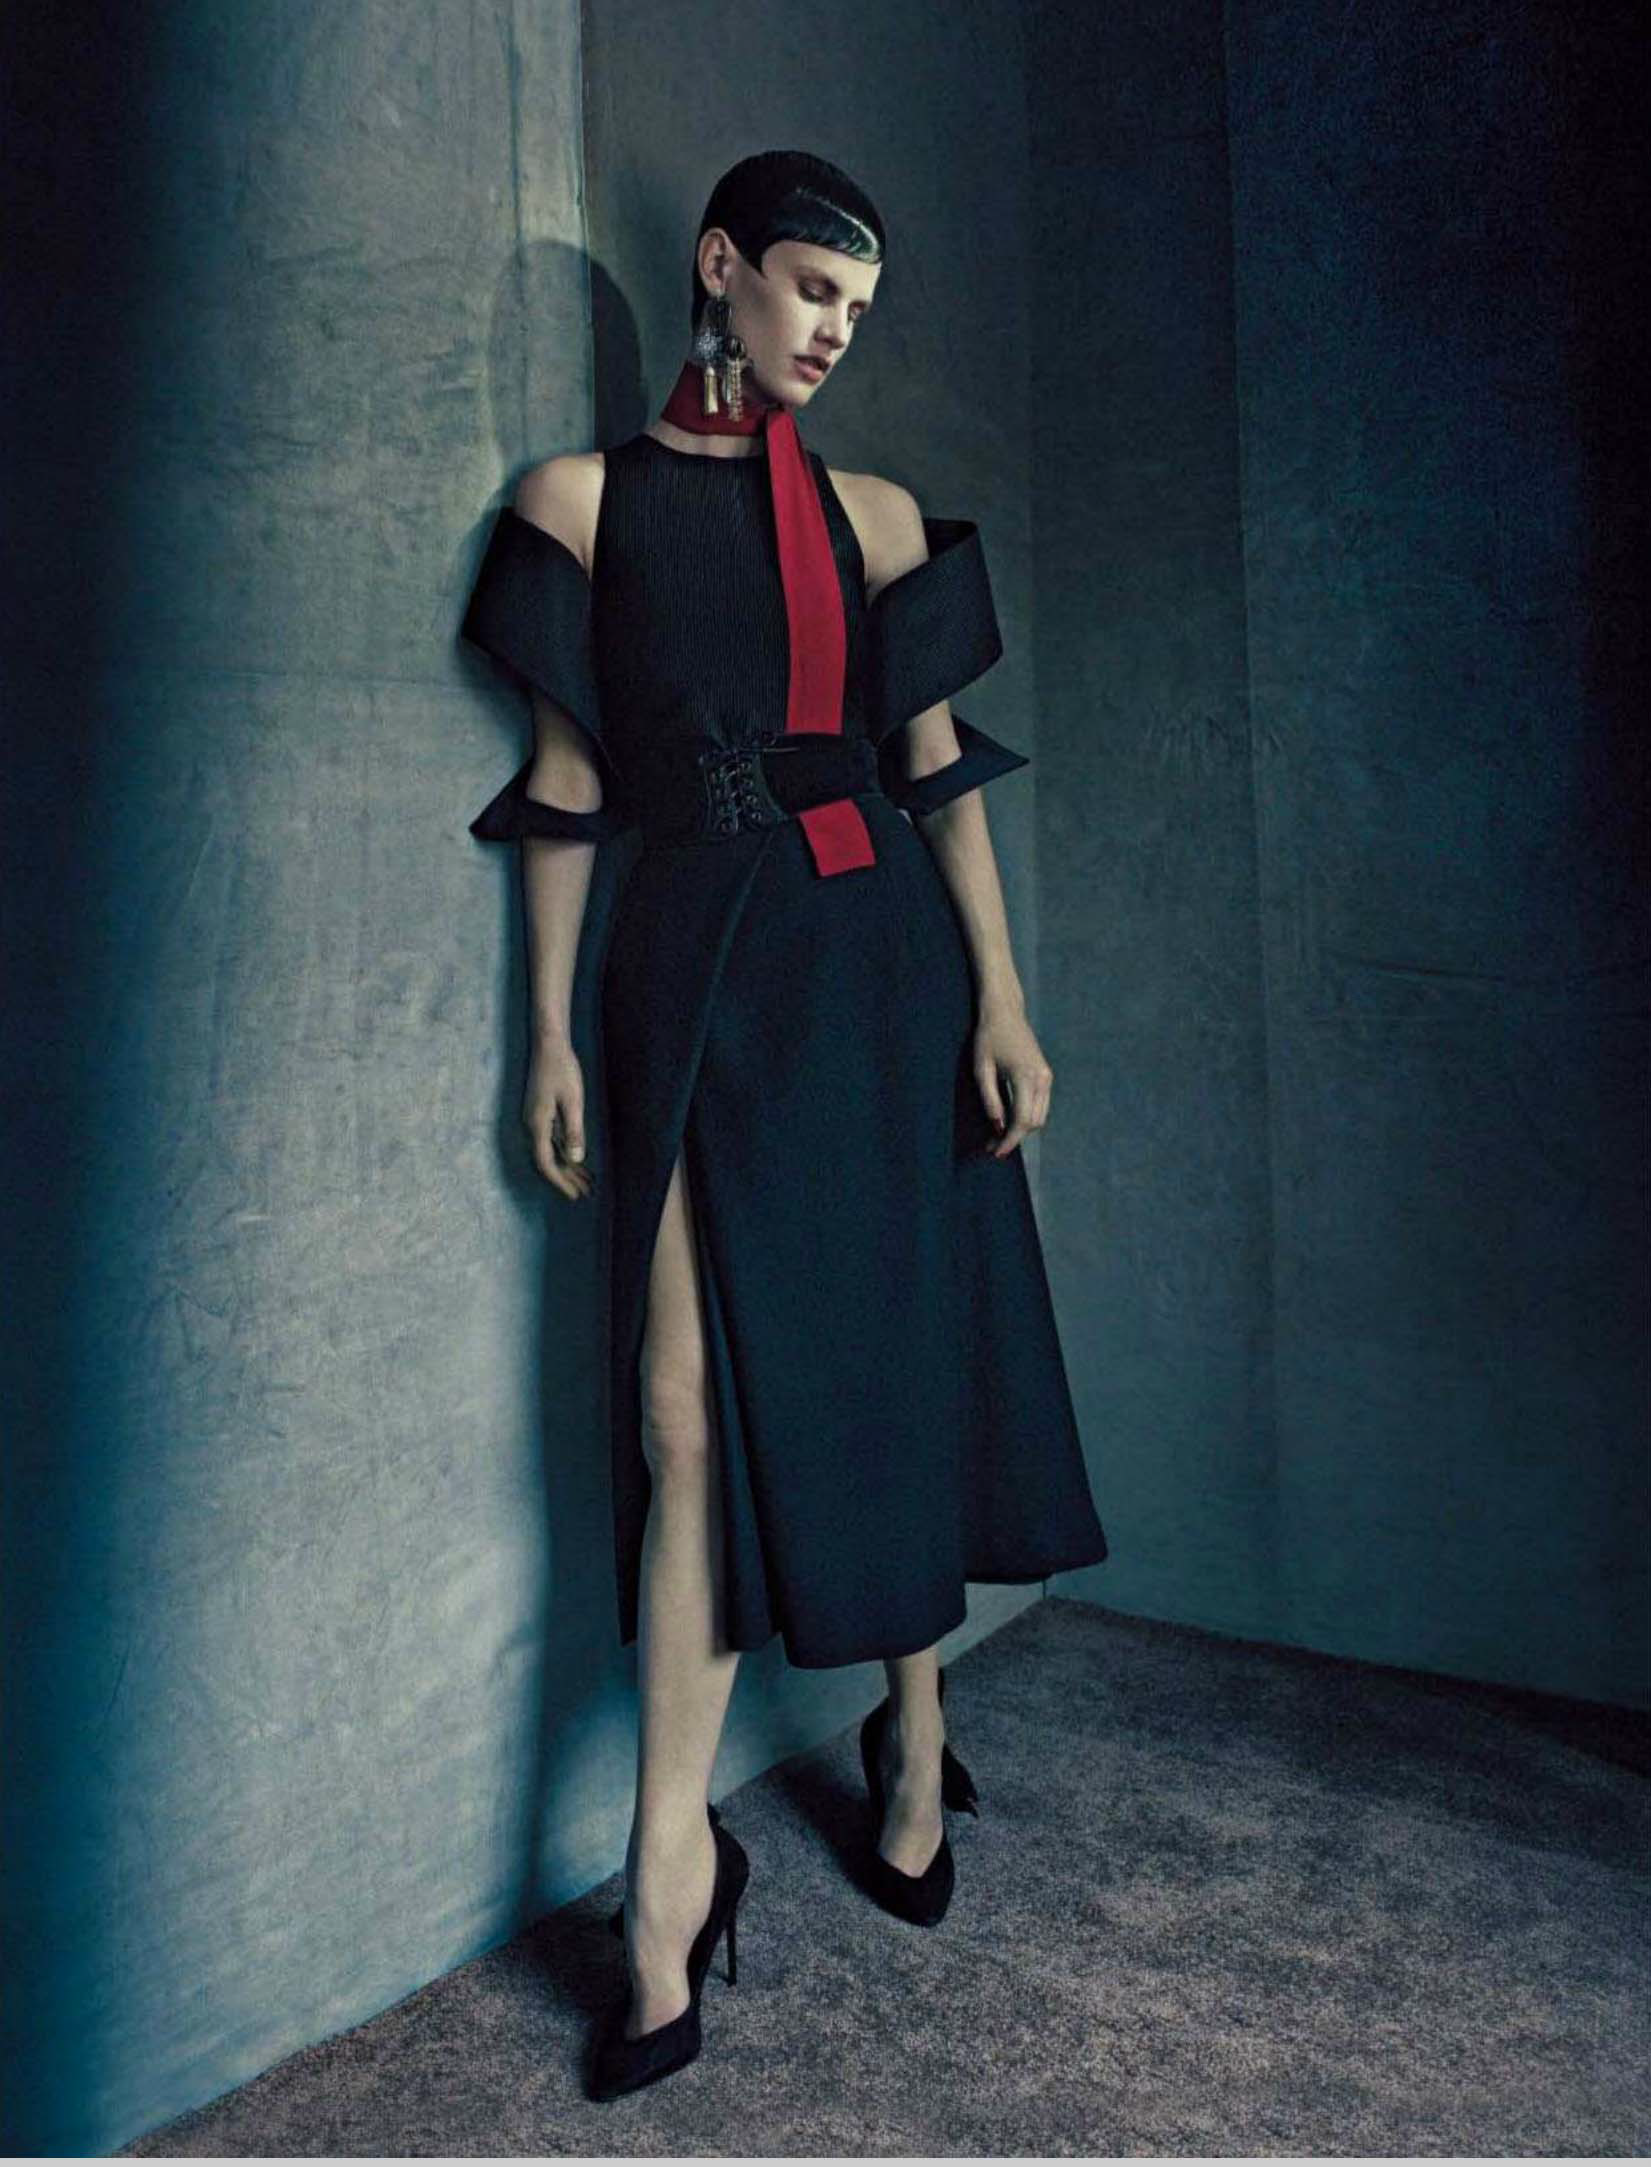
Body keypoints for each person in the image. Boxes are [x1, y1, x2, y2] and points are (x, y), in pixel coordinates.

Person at [460, 149, 1108, 2101]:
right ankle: (671, 1865)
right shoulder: (577, 508)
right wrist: (548, 1035)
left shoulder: (878, 518)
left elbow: (934, 772)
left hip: (871, 959)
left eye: (860, 310)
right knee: (679, 1416)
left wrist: (1001, 997)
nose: (835, 329)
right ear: (724, 267)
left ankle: (915, 1732)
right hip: (684, 969)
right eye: (815, 288)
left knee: (892, 1350)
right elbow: (565, 782)